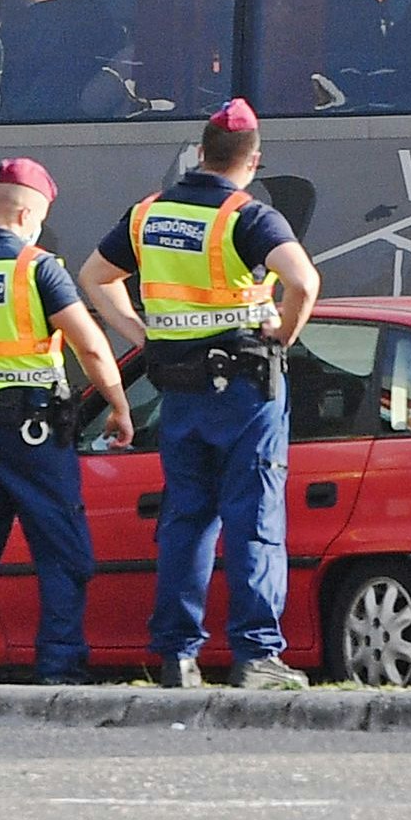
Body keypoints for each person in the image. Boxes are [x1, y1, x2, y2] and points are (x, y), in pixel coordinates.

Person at [82, 99, 322, 691]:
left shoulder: (146, 215)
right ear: (253, 160)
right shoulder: (250, 216)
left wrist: (144, 336)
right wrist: (284, 333)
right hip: (245, 391)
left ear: (199, 153)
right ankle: (256, 656)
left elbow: (94, 277)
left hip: (181, 394)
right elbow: (303, 280)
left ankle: (176, 657)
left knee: (186, 521)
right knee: (254, 521)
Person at [0, 158, 131, 685]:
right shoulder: (35, 268)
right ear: (25, 215)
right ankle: (59, 664)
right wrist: (120, 407)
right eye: (38, 220)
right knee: (62, 550)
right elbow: (91, 346)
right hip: (35, 436)